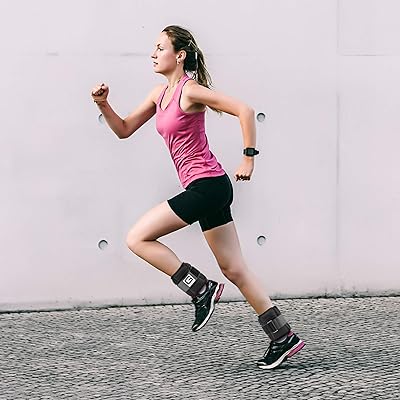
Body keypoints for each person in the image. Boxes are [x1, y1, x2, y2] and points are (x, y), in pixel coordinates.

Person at [91, 25, 305, 369]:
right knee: (234, 269)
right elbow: (124, 130)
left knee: (137, 238)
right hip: (209, 188)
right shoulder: (158, 95)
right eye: (153, 47)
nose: (153, 53)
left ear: (179, 55)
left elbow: (245, 110)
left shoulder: (190, 91)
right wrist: (103, 104)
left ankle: (200, 289)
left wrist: (248, 157)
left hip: (208, 186)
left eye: (160, 48)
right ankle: (283, 337)